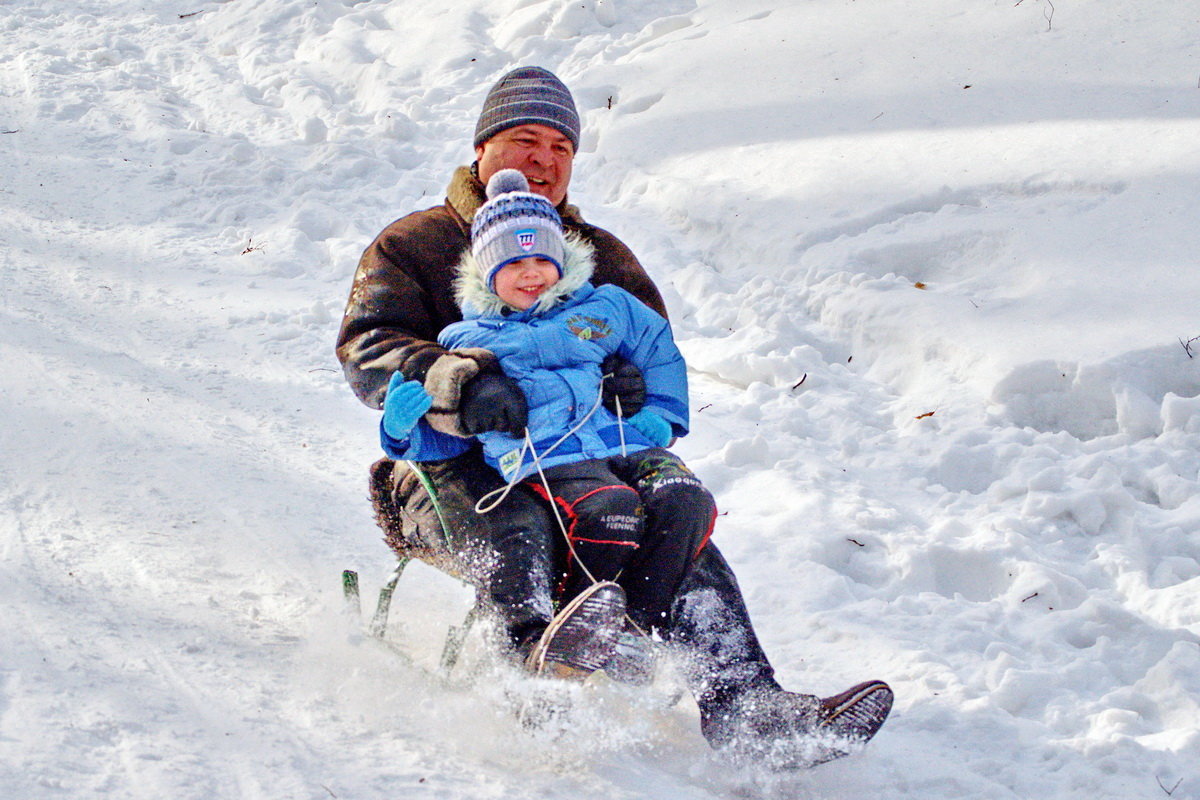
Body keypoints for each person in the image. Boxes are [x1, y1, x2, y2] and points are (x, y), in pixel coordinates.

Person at [336, 66, 890, 766]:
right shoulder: (413, 245)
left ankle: (746, 704)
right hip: (442, 468)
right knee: (525, 524)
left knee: (669, 509)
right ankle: (531, 669)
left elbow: (653, 348)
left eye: (560, 149)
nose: (543, 160)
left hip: (575, 452)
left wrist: (631, 388)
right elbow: (367, 348)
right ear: (481, 151)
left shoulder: (599, 261)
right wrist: (458, 383)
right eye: (525, 140)